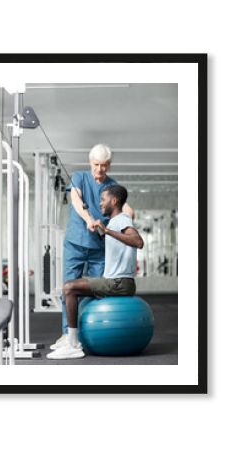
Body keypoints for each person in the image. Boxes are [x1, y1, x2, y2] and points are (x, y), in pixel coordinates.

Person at [50, 144, 134, 350]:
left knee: (94, 291)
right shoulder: (79, 177)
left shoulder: (113, 185)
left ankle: (85, 332)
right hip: (75, 244)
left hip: (99, 247)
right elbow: (76, 200)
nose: (100, 170)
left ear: (109, 165)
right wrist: (89, 218)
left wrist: (126, 220)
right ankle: (66, 334)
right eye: (96, 165)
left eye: (104, 165)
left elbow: (128, 209)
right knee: (68, 288)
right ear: (90, 163)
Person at [47, 184, 143, 359]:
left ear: (114, 201)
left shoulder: (122, 220)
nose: (100, 204)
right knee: (81, 297)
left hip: (118, 283)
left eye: (103, 199)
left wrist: (107, 231)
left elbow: (138, 241)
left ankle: (73, 344)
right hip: (119, 282)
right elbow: (115, 241)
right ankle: (75, 339)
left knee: (69, 287)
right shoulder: (115, 222)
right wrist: (101, 230)